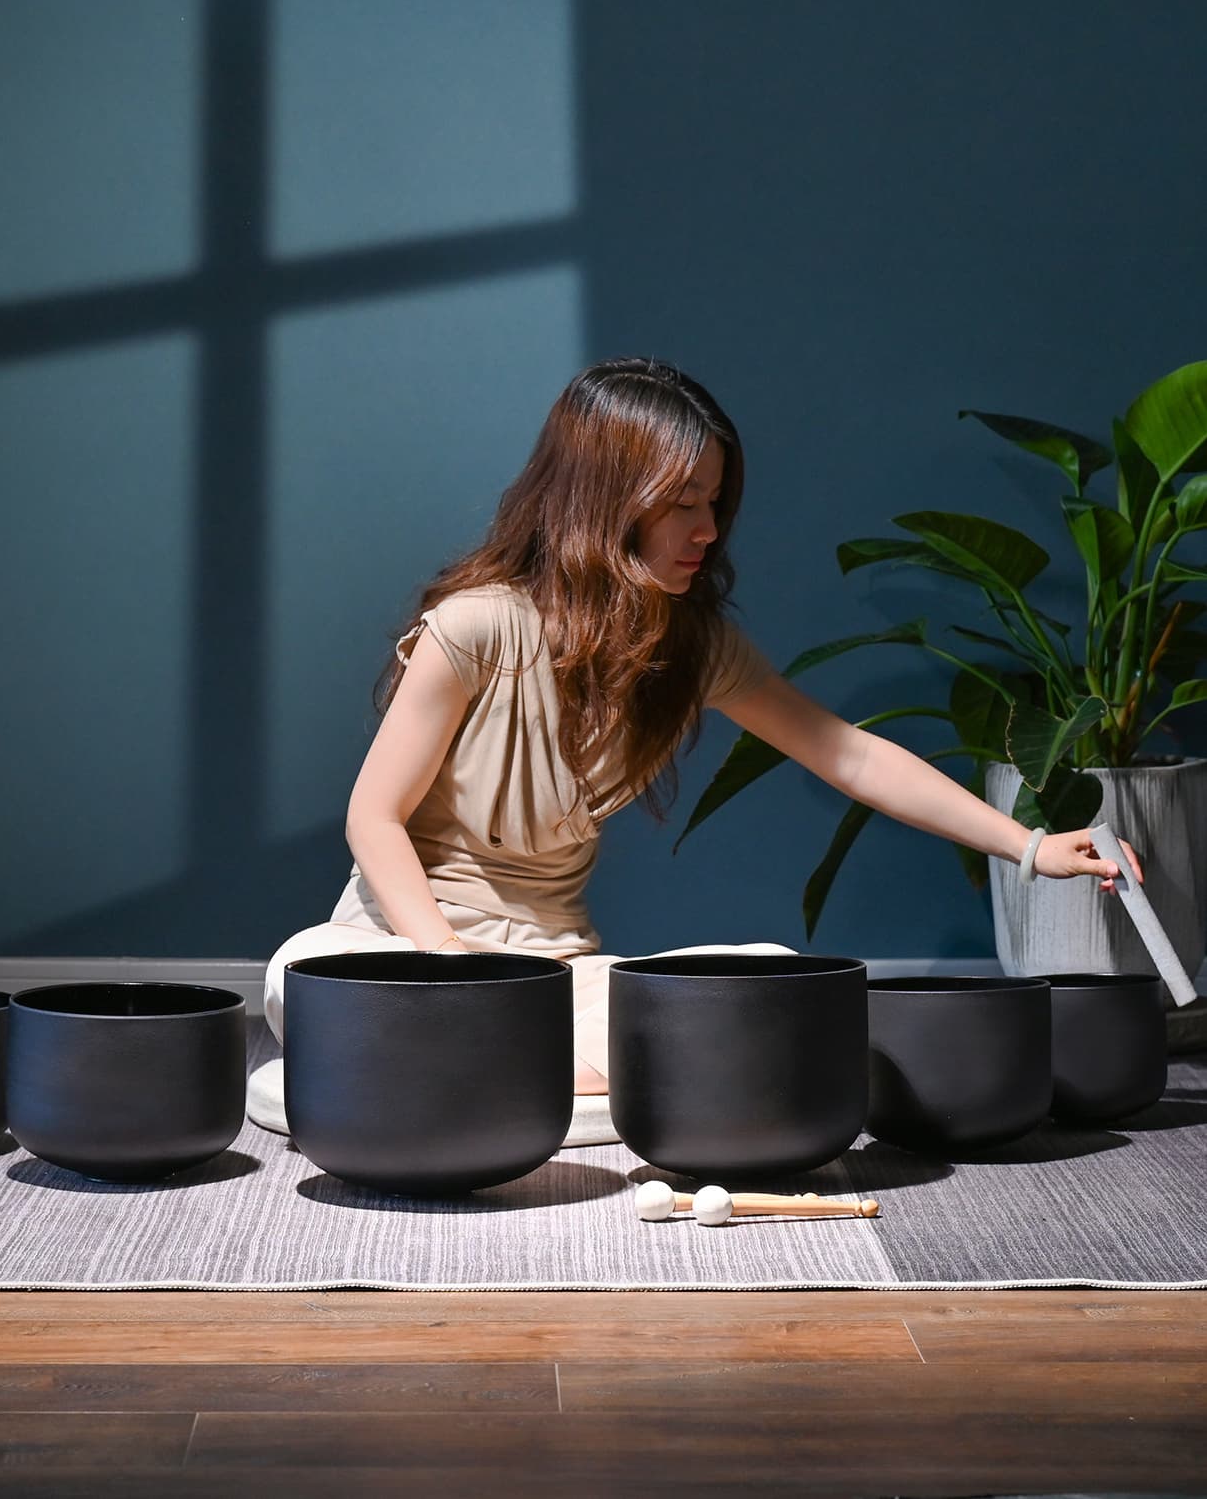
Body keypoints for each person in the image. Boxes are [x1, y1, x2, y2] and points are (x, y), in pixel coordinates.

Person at [262, 357, 1140, 1103]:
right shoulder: (477, 626)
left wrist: (1029, 847)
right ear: (606, 498)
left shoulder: (693, 646)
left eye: (714, 501)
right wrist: (457, 972)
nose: (708, 530)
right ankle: (516, 1056)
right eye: (682, 502)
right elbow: (372, 819)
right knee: (299, 974)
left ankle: (519, 1064)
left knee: (764, 975)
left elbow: (851, 754)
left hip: (558, 982)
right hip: (405, 956)